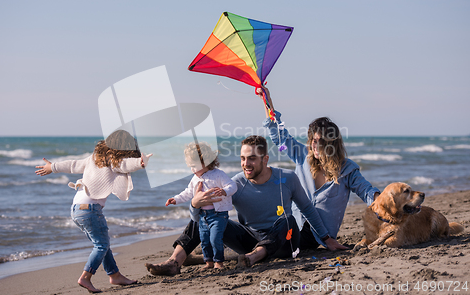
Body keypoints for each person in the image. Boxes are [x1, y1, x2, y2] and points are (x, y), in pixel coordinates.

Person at [145, 135, 345, 276]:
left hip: (284, 241)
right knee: (209, 216)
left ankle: (255, 256)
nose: (246, 164)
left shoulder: (287, 178)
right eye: (242, 158)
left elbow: (307, 209)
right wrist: (194, 204)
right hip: (248, 240)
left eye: (251, 158)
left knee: (288, 219)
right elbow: (199, 218)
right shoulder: (235, 184)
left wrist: (327, 239)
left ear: (265, 159)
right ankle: (174, 262)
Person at [257, 85, 380, 250]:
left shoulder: (347, 170)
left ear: (331, 144)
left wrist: (384, 200)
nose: (314, 145)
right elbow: (279, 135)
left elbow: (367, 192)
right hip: (292, 225)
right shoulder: (303, 156)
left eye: (320, 141)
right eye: (313, 140)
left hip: (317, 236)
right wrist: (267, 100)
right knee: (259, 232)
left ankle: (257, 249)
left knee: (271, 242)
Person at [35, 130, 152, 293]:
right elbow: (125, 165)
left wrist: (52, 167)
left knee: (103, 244)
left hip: (76, 209)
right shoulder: (113, 161)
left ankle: (115, 275)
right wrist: (140, 162)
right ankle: (85, 277)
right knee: (101, 245)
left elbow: (72, 165)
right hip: (90, 210)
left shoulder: (93, 159)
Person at [165, 142, 237, 269]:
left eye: (194, 165)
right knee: (204, 240)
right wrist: (175, 199)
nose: (192, 169)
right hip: (203, 216)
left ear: (206, 162)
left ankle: (219, 262)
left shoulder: (218, 174)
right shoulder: (195, 178)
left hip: (218, 215)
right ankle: (208, 262)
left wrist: (225, 191)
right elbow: (188, 192)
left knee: (215, 239)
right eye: (190, 166)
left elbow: (232, 185)